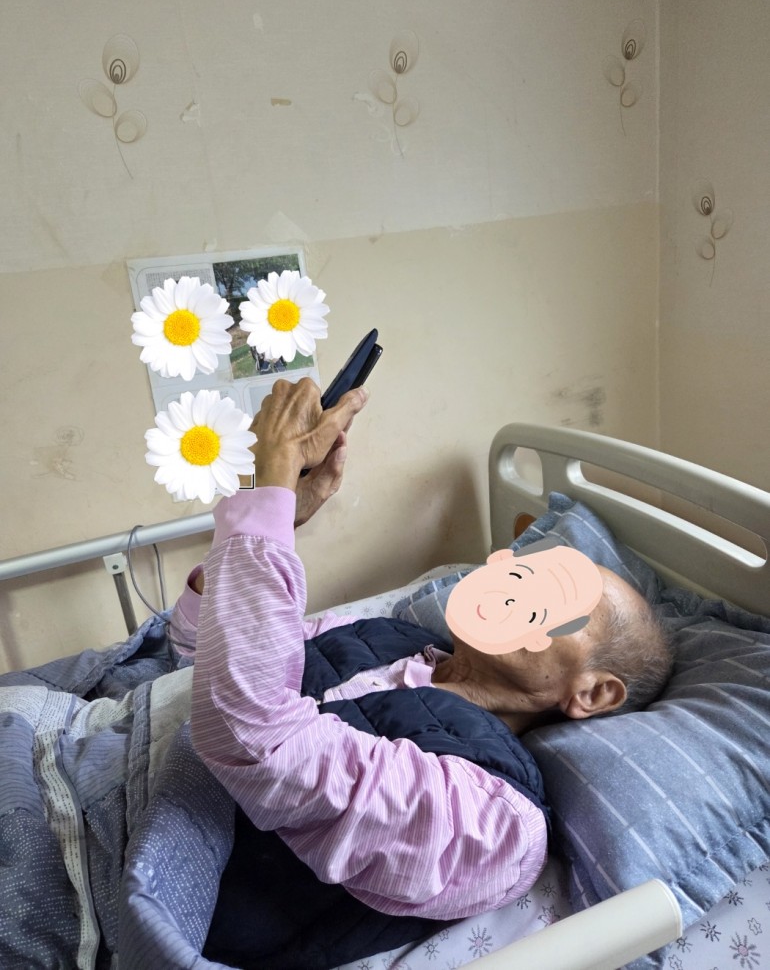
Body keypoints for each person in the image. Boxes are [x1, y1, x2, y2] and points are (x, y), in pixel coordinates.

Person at [169, 378, 672, 968]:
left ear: (593, 693)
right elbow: (197, 659)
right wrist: (277, 517)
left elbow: (251, 735)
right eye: (525, 567)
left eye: (558, 596)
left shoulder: (494, 818)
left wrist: (266, 492)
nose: (510, 574)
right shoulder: (386, 635)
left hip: (133, 885)